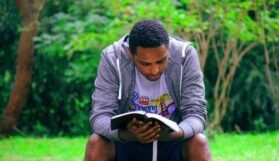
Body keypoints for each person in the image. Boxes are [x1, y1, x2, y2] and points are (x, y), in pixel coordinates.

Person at [84, 19, 212, 161]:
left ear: (168, 49)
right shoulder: (112, 58)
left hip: (173, 142)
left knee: (199, 142)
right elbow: (99, 116)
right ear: (130, 54)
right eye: (145, 64)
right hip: (126, 142)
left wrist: (173, 133)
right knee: (96, 143)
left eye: (161, 61)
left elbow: (197, 114)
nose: (154, 70)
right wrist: (128, 134)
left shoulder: (184, 55)